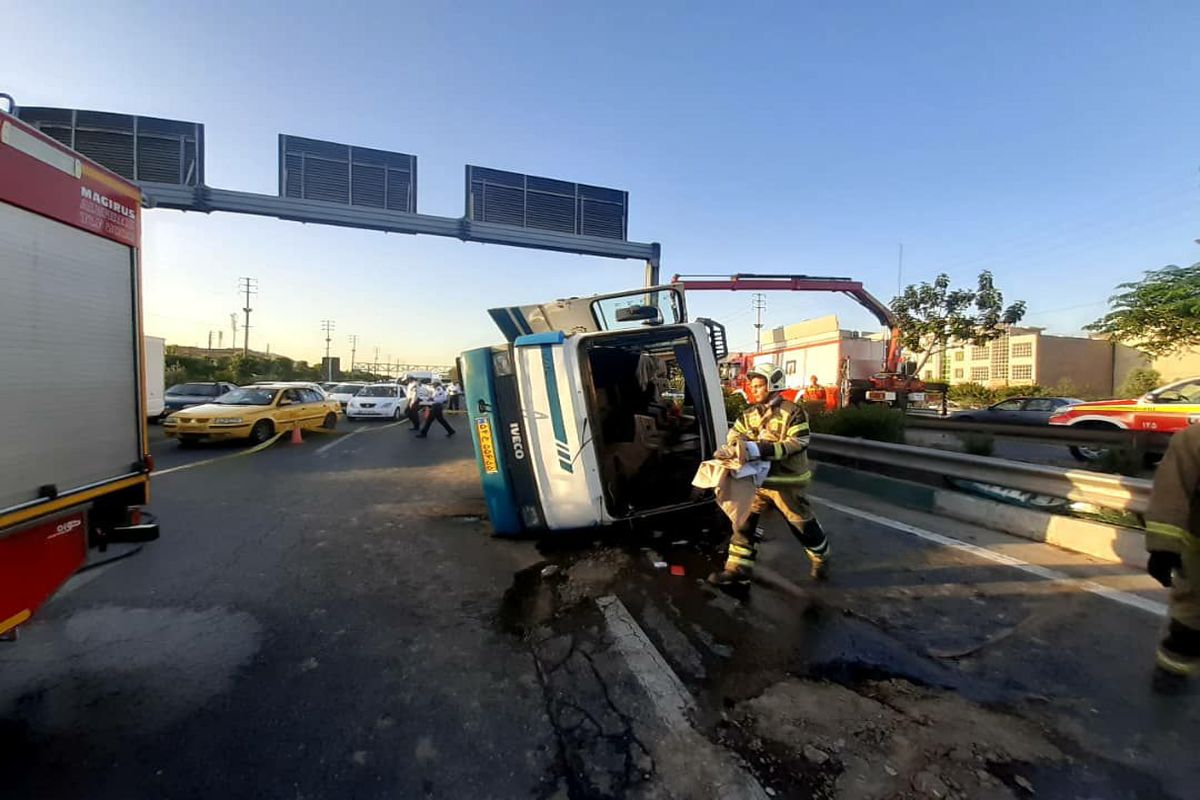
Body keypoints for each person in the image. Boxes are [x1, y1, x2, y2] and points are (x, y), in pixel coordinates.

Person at [709, 363, 829, 587]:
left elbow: (797, 442)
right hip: (756, 481)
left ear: (773, 385)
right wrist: (732, 448)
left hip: (786, 482)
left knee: (801, 524)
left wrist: (758, 450)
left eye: (758, 386)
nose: (753, 390)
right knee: (743, 523)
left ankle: (820, 558)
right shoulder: (748, 414)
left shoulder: (793, 412)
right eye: (752, 386)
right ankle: (736, 569)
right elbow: (735, 435)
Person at [1145, 423, 1200, 689]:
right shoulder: (1193, 439)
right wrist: (1163, 548)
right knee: (1191, 614)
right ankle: (1172, 670)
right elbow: (1172, 493)